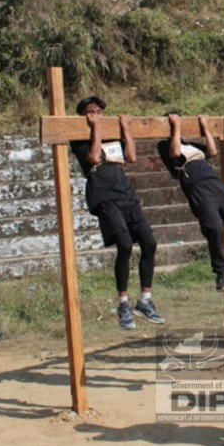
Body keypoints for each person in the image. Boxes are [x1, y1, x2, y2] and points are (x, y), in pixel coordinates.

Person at [70, 96, 164, 329]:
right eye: (91, 111)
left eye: (99, 110)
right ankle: (123, 303)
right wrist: (96, 129)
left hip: (125, 193)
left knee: (149, 242)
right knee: (124, 244)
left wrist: (125, 129)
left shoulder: (112, 135)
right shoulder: (79, 136)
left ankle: (145, 300)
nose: (96, 114)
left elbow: (131, 157)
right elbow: (93, 158)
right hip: (103, 195)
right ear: (84, 116)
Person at [158, 114, 224, 292]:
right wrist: (175, 126)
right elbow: (175, 153)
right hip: (196, 184)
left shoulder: (192, 145)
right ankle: (221, 274)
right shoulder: (165, 145)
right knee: (213, 227)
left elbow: (212, 152)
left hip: (214, 182)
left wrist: (205, 127)